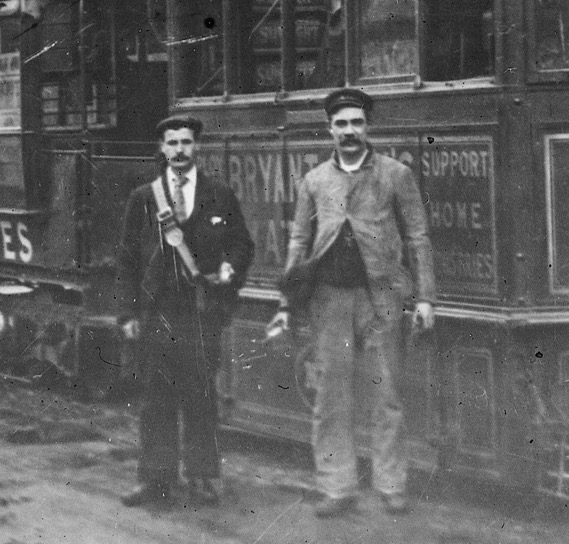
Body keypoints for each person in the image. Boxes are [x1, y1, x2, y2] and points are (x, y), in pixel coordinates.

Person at [268, 88, 435, 518]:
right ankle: (337, 485)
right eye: (341, 124)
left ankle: (391, 483)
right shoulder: (315, 180)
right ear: (329, 129)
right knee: (331, 396)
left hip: (381, 297)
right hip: (329, 299)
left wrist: (425, 298)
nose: (349, 131)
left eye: (356, 122)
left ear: (367, 127)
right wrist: (288, 296)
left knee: (387, 395)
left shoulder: (395, 174)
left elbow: (417, 236)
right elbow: (300, 239)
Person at [116, 114, 254, 507]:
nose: (179, 150)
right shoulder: (144, 197)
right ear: (161, 148)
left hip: (200, 311)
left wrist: (230, 268)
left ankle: (203, 476)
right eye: (172, 143)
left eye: (186, 143)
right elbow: (125, 259)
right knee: (155, 398)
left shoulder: (220, 195)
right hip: (156, 312)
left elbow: (242, 244)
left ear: (197, 147)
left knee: (200, 394)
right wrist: (127, 313)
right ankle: (155, 480)